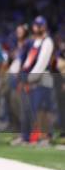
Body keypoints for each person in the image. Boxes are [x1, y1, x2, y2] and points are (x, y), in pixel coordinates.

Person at [19, 16, 56, 145]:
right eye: (36, 25)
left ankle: (46, 136)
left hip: (43, 79)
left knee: (44, 109)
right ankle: (33, 136)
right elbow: (27, 62)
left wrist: (29, 78)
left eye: (40, 25)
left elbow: (42, 63)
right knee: (34, 110)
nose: (38, 28)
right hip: (32, 79)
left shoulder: (47, 41)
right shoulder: (33, 42)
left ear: (44, 26)